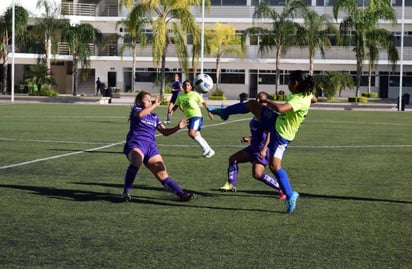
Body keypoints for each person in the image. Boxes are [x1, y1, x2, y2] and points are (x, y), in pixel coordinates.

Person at [210, 70, 317, 213]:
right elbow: (314, 99)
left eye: (290, 82)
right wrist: (310, 98)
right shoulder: (306, 94)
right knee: (252, 104)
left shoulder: (299, 99)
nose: (289, 85)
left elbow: (280, 108)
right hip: (276, 122)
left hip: (281, 135)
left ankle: (290, 195)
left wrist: (267, 101)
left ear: (296, 84)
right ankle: (225, 112)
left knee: (274, 167)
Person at [121, 91, 194, 202]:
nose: (149, 101)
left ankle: (182, 194)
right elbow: (141, 115)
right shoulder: (136, 110)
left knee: (162, 173)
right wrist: (155, 104)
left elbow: (165, 132)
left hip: (151, 147)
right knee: (136, 161)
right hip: (136, 143)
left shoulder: (154, 116)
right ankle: (126, 192)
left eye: (150, 99)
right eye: (146, 99)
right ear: (139, 101)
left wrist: (178, 127)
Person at [220, 91, 285, 200]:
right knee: (233, 159)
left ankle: (281, 188)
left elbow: (269, 133)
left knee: (257, 175)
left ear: (267, 102)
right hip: (253, 147)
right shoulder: (257, 114)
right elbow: (260, 133)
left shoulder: (267, 115)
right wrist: (249, 138)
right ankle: (231, 184)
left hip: (261, 149)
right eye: (257, 99)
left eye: (262, 99)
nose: (258, 101)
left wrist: (264, 150)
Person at [172, 79, 215, 158]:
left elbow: (204, 103)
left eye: (188, 85)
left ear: (191, 87)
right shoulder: (181, 96)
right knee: (197, 135)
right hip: (189, 117)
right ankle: (210, 150)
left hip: (196, 116)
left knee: (191, 133)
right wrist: (171, 112)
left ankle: (205, 149)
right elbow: (176, 105)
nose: (186, 86)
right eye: (185, 85)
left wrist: (209, 112)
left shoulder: (194, 94)